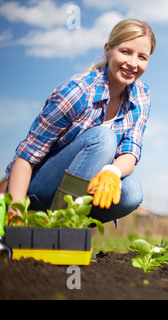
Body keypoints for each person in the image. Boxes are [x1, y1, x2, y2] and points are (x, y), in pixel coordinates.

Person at [5, 19, 156, 226]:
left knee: (131, 192)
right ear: (108, 50)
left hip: (79, 191)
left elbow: (130, 152)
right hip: (39, 191)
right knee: (103, 138)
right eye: (125, 52)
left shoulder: (141, 96)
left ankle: (72, 228)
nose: (133, 63)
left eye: (142, 57)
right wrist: (15, 212)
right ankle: (56, 229)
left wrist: (112, 173)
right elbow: (26, 157)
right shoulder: (77, 92)